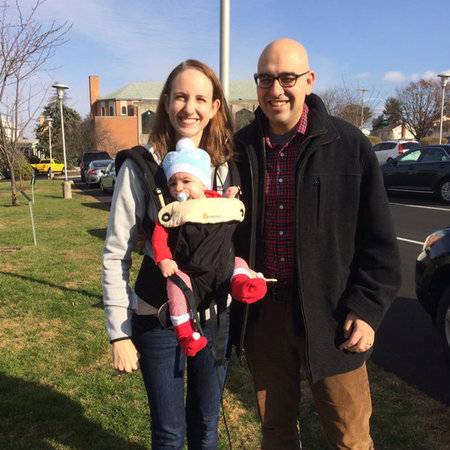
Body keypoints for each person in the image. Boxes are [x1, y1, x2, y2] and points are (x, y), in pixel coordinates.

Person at [232, 38, 401, 449]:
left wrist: (367, 309)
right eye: (266, 79)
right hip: (264, 315)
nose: (276, 90)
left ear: (308, 81)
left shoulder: (349, 145)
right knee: (276, 431)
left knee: (349, 435)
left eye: (287, 78)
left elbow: (378, 243)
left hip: (333, 317)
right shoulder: (239, 150)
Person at [102, 59, 240, 449]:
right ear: (165, 103)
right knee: (168, 433)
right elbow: (116, 253)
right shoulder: (141, 167)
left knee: (207, 425)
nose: (189, 108)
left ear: (215, 107)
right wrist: (118, 333)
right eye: (180, 97)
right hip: (157, 319)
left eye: (200, 98)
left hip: (215, 316)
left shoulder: (227, 169)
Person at [152, 137, 267, 357]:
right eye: (173, 183)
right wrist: (163, 259)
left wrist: (229, 198)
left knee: (238, 262)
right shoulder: (172, 210)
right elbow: (160, 236)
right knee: (176, 287)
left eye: (186, 181)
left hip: (220, 261)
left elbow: (225, 209)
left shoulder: (214, 199)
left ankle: (244, 285)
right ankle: (186, 333)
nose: (179, 189)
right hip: (187, 269)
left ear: (203, 183)